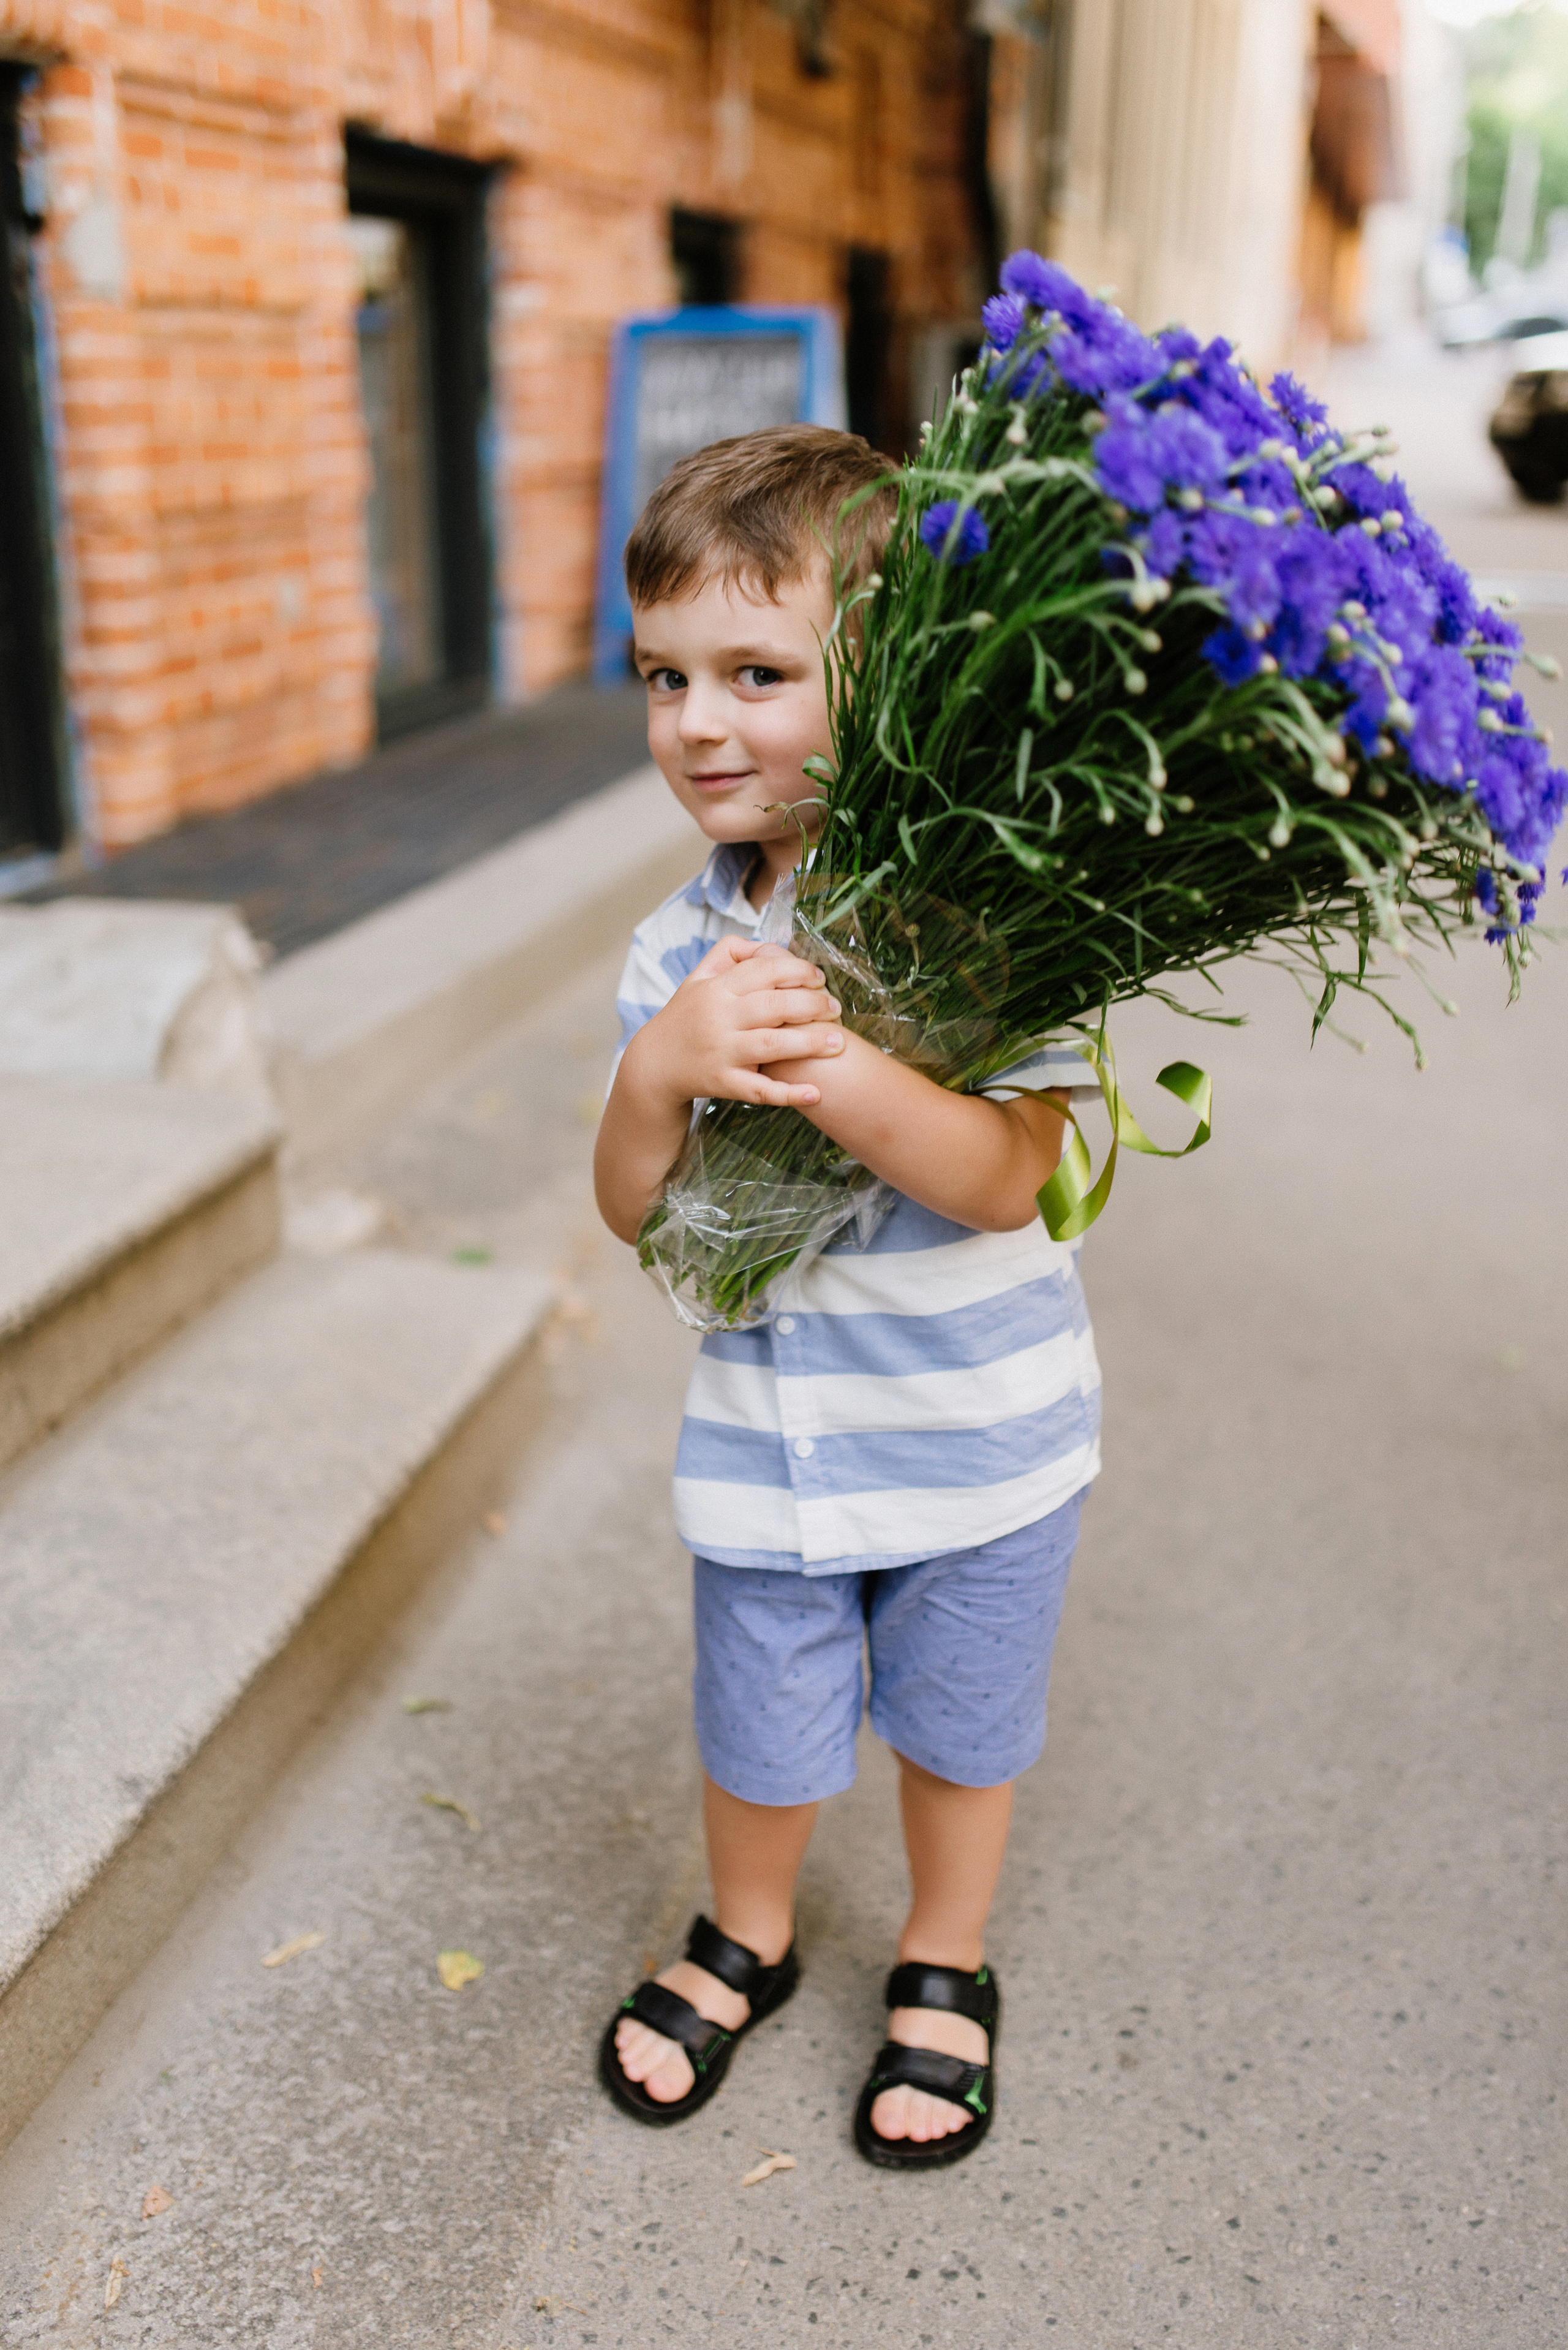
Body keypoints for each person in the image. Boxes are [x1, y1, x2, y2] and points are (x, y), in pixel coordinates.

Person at [592, 423, 1101, 2168]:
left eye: (757, 671)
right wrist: (662, 1072)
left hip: (979, 1439)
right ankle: (750, 1929)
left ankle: (946, 1958)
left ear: (885, 684)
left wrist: (839, 1074)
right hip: (771, 1446)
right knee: (760, 1716)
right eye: (664, 677)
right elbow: (635, 1216)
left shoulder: (989, 911)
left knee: (962, 1728)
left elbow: (1012, 1169)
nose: (700, 723)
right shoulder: (679, 948)